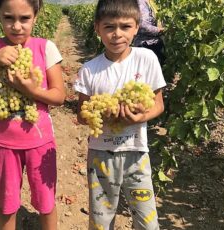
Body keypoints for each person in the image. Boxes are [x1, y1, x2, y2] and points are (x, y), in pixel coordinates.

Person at [74, 0, 166, 229]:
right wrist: (103, 114)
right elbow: (83, 115)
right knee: (101, 220)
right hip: (100, 155)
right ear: (97, 28)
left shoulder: (147, 59)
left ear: (136, 27)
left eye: (125, 27)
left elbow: (158, 105)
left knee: (148, 222)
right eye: (109, 27)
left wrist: (140, 117)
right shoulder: (89, 69)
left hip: (137, 153)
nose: (117, 34)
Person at [0, 0, 65, 229]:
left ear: (36, 15)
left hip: (40, 142)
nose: (16, 26)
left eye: (24, 18)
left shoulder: (46, 48)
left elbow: (59, 96)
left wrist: (31, 90)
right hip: (4, 143)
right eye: (8, 18)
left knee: (46, 202)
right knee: (7, 204)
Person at [133, 0, 165, 66]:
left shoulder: (151, 2)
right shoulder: (141, 2)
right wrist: (159, 30)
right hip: (146, 45)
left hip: (154, 44)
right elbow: (142, 26)